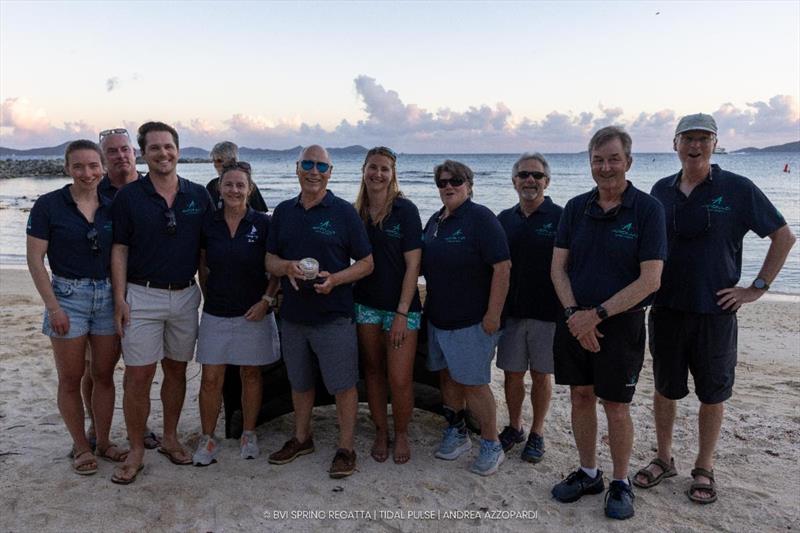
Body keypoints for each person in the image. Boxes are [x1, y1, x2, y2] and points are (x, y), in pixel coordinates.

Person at [633, 113, 796, 504]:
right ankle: (664, 457)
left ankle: (704, 466)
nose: (695, 145)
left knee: (713, 393)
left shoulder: (737, 189)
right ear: (674, 144)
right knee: (664, 389)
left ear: (715, 144)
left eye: (704, 138)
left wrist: (756, 288)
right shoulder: (661, 190)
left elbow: (784, 236)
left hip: (715, 312)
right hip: (667, 308)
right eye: (688, 138)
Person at [550, 126, 666, 520]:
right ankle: (588, 472)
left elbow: (650, 279)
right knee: (580, 396)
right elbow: (558, 269)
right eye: (598, 160)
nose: (605, 166)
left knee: (616, 405)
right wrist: (573, 316)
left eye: (613, 158)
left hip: (620, 325)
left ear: (628, 162)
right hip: (573, 321)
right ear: (590, 163)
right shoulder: (575, 208)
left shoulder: (648, 210)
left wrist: (594, 316)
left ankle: (620, 481)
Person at [109, 121, 212, 484]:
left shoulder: (199, 195)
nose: (163, 153)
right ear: (143, 154)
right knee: (138, 375)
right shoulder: (129, 197)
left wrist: (210, 293)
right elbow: (119, 249)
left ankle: (169, 438)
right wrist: (120, 299)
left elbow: (205, 251)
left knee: (177, 371)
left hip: (186, 296)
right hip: (142, 295)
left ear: (178, 150)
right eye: (154, 148)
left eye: (168, 147)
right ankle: (136, 449)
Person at [266, 145, 373, 478]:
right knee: (300, 383)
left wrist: (336, 280)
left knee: (343, 385)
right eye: (308, 164)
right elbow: (269, 260)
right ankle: (302, 438)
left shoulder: (344, 212)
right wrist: (287, 267)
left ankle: (346, 448)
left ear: (331, 172)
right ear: (297, 168)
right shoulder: (283, 211)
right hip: (294, 316)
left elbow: (368, 263)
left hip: (333, 315)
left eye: (321, 166)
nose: (314, 172)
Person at [26, 140, 128, 475]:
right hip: (68, 295)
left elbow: (120, 255)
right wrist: (53, 308)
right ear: (67, 168)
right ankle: (81, 447)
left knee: (103, 375)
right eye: (79, 166)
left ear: (103, 168)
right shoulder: (49, 205)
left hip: (106, 295)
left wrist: (118, 301)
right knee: (70, 378)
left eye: (93, 166)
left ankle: (103, 440)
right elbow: (36, 260)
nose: (87, 173)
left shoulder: (112, 205)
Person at [422, 160, 511, 476]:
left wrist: (493, 315)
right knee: (447, 378)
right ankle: (457, 432)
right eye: (442, 182)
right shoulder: (435, 221)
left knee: (473, 384)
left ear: (469, 184)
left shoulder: (481, 218)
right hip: (438, 318)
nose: (448, 186)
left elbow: (502, 268)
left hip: (472, 321)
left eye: (455, 181)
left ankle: (491, 443)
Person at [192, 161, 281, 465]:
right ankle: (207, 438)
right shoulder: (209, 223)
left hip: (253, 312)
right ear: (219, 187)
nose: (234, 190)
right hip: (216, 312)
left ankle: (249, 432)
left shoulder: (264, 224)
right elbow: (202, 265)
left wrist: (267, 300)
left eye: (240, 185)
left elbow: (276, 268)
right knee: (211, 377)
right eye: (228, 184)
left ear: (250, 188)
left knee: (251, 374)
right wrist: (208, 295)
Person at [80, 129, 161, 451]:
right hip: (100, 290)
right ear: (102, 159)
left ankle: (137, 428)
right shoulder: (92, 191)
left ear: (135, 152)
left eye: (125, 150)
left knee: (138, 368)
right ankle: (95, 427)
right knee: (97, 367)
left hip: (144, 288)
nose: (120, 156)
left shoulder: (152, 188)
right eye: (111, 152)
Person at [353, 147, 422, 464]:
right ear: (364, 170)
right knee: (373, 373)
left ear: (393, 174)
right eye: (373, 168)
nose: (377, 174)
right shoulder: (356, 212)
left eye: (384, 169)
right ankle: (381, 431)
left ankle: (403, 433)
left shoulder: (405, 211)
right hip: (365, 304)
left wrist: (401, 313)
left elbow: (413, 266)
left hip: (402, 309)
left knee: (400, 378)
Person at [496, 152, 563, 463]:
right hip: (511, 312)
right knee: (511, 374)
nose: (530, 180)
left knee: (540, 375)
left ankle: (537, 432)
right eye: (523, 175)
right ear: (514, 181)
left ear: (546, 181)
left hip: (548, 313)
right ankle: (515, 426)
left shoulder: (561, 218)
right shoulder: (503, 220)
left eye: (536, 176)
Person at [206, 141, 268, 212]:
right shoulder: (212, 185)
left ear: (232, 160)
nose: (215, 165)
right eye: (213, 161)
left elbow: (260, 213)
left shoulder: (246, 185)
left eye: (219, 161)